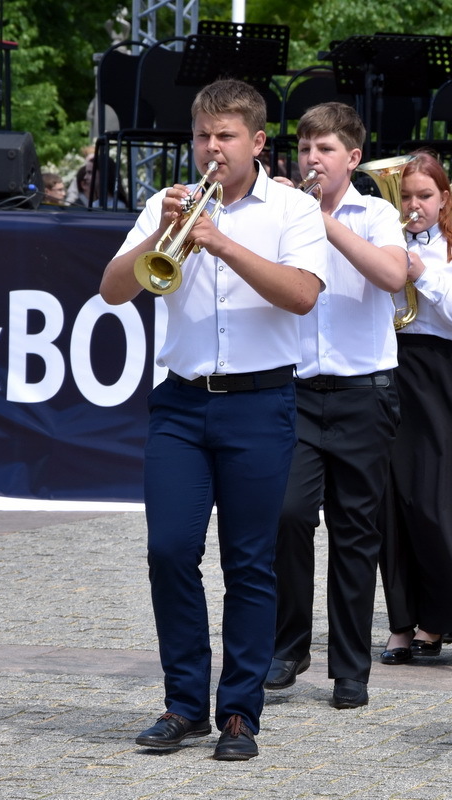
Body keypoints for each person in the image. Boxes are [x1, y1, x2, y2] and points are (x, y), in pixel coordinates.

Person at [99, 78, 327, 760]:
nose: (210, 148)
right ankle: (183, 704)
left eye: (224, 136)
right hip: (181, 400)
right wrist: (165, 234)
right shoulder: (165, 204)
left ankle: (240, 714)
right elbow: (113, 290)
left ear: (257, 142)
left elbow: (302, 296)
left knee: (251, 563)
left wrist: (220, 242)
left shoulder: (291, 209)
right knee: (169, 551)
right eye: (202, 135)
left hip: (261, 401)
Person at [263, 102, 407, 709]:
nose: (312, 159)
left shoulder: (376, 213)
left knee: (356, 534)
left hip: (362, 392)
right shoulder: (279, 214)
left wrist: (323, 222)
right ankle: (290, 645)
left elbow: (393, 276)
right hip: (293, 390)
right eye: (305, 148)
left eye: (325, 150)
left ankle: (351, 667)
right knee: (288, 516)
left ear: (352, 157)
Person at [377, 150, 452, 665]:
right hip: (389, 367)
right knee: (393, 504)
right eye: (404, 195)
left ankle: (439, 618)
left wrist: (422, 272)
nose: (413, 205)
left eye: (424, 195)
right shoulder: (382, 244)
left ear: (445, 198)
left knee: (436, 502)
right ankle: (402, 623)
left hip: (443, 376)